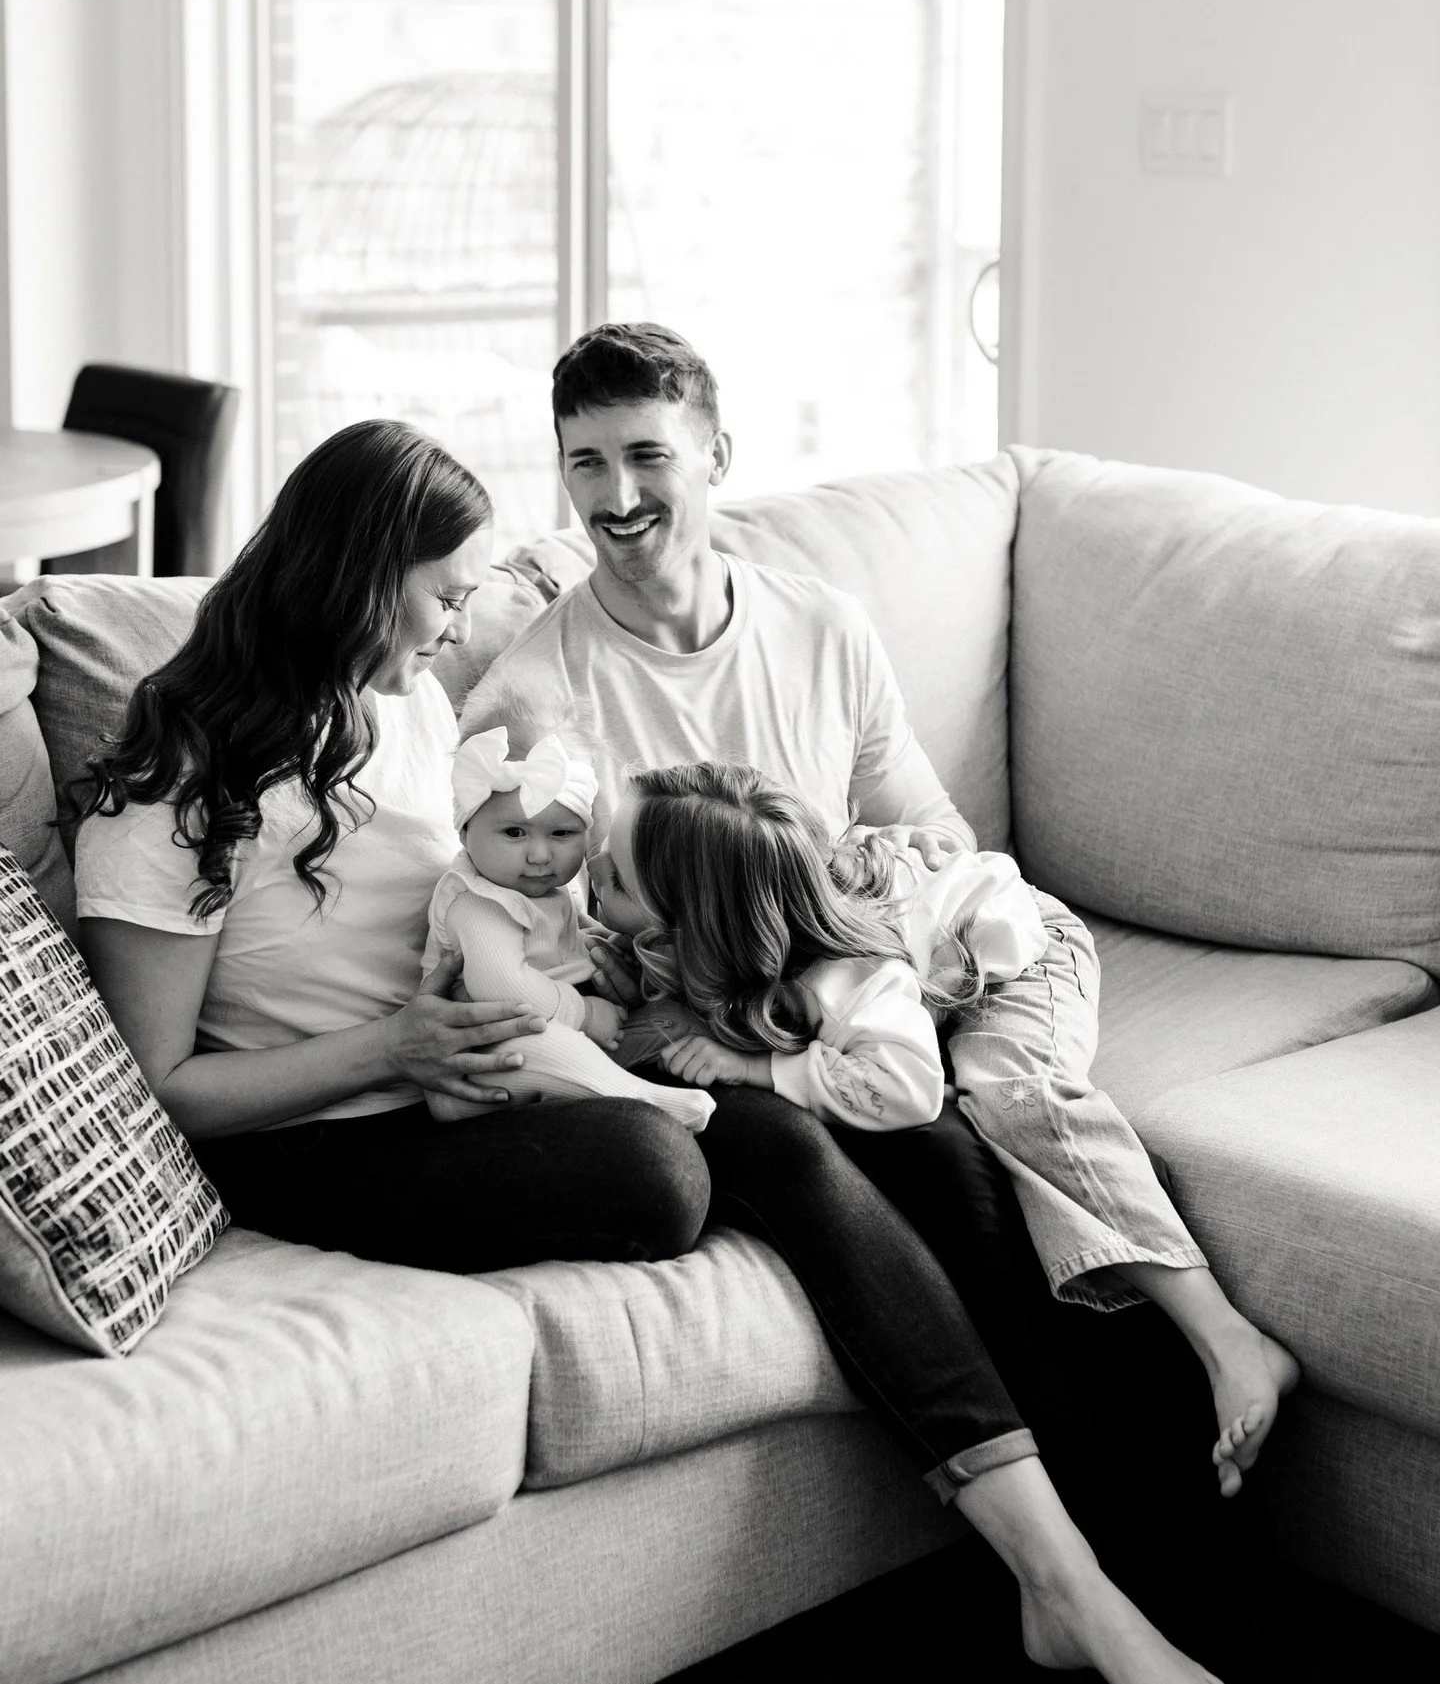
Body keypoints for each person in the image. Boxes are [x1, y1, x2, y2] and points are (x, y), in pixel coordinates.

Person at [472, 321, 1276, 1669]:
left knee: (991, 1170)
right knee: (956, 1173)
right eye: (585, 465)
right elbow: (574, 950)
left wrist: (874, 926)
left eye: (648, 457)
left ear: (718, 456)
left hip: (864, 987)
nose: (616, 500)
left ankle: (1197, 1601)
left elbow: (933, 835)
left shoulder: (817, 625)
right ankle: (1121, 1605)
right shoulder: (542, 697)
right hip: (727, 1044)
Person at [71, 418, 710, 1276]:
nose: (458, 630)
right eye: (447, 599)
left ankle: (953, 1411)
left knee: (770, 1114)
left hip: (449, 1079)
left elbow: (469, 893)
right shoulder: (178, 782)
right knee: (654, 1168)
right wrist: (395, 1049)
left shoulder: (406, 703)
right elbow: (159, 1086)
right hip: (311, 1138)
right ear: (355, 580)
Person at [599, 761, 1299, 1498]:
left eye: (612, 880)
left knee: (1010, 1097)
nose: (591, 877)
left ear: (700, 927)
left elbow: (906, 1089)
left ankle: (1227, 1338)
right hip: (922, 945)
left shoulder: (849, 979)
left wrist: (764, 1074)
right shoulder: (719, 928)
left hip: (1020, 956)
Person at [422, 688, 713, 1131]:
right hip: (477, 1061)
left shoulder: (541, 891)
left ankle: (618, 1078)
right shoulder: (477, 901)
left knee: (676, 1018)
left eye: (561, 834)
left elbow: (574, 935)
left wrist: (609, 947)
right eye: (515, 832)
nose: (540, 855)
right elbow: (500, 985)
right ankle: (638, 1097)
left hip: (563, 1029)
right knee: (545, 1043)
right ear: (465, 831)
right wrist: (581, 1014)